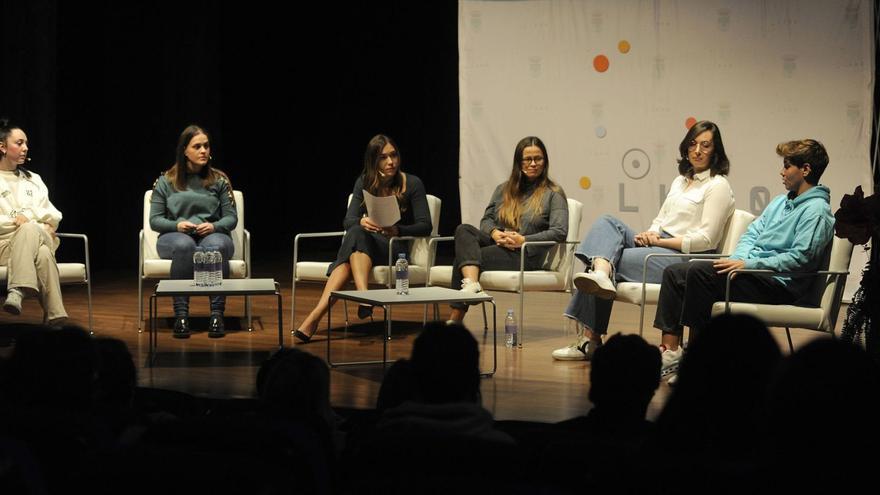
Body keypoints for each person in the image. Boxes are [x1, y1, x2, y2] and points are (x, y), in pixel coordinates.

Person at [552, 121, 734, 361]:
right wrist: (650, 233)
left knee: (606, 258)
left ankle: (590, 339)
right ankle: (601, 274)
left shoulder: (718, 185)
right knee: (607, 223)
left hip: (682, 257)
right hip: (659, 243)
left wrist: (659, 242)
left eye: (705, 145)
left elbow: (704, 239)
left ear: (715, 151)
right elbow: (662, 218)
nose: (698, 151)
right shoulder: (680, 181)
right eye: (693, 144)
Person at [653, 139, 834, 378]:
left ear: (806, 169)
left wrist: (750, 264)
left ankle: (698, 362)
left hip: (779, 284)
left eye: (787, 166)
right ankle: (671, 350)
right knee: (676, 272)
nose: (782, 171)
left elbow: (801, 259)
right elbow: (753, 233)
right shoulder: (781, 201)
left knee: (699, 274)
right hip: (754, 274)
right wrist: (738, 260)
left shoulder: (817, 211)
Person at [293, 134, 432, 343]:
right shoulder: (364, 181)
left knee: (354, 243)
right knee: (357, 234)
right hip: (366, 246)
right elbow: (348, 220)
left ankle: (316, 317)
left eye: (393, 155)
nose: (390, 162)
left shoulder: (412, 183)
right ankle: (360, 300)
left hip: (395, 248)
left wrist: (398, 229)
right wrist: (362, 222)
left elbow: (425, 225)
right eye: (383, 157)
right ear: (373, 161)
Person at [447, 136, 568, 323]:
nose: (533, 163)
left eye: (539, 159)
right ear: (519, 163)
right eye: (528, 159)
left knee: (463, 258)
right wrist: (495, 233)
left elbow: (560, 231)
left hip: (525, 255)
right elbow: (486, 220)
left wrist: (524, 240)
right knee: (464, 230)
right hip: (499, 243)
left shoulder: (553, 193)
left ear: (545, 162)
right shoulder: (503, 189)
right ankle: (471, 285)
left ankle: (455, 319)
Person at [150, 124, 237, 339]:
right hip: (175, 236)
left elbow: (231, 218)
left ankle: (217, 315)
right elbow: (155, 220)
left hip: (211, 234)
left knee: (215, 246)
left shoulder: (218, 180)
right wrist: (177, 225)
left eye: (206, 146)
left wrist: (215, 226)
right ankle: (181, 316)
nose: (203, 151)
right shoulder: (166, 181)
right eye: (197, 146)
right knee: (184, 246)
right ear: (184, 151)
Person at [0, 119, 67, 325]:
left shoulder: (34, 179)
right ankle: (56, 317)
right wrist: (23, 223)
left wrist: (30, 224)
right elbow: (44, 224)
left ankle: (17, 291)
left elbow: (53, 216)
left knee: (38, 242)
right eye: (19, 143)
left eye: (26, 143)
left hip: (33, 242)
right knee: (42, 248)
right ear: (2, 147)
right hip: (3, 245)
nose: (25, 148)